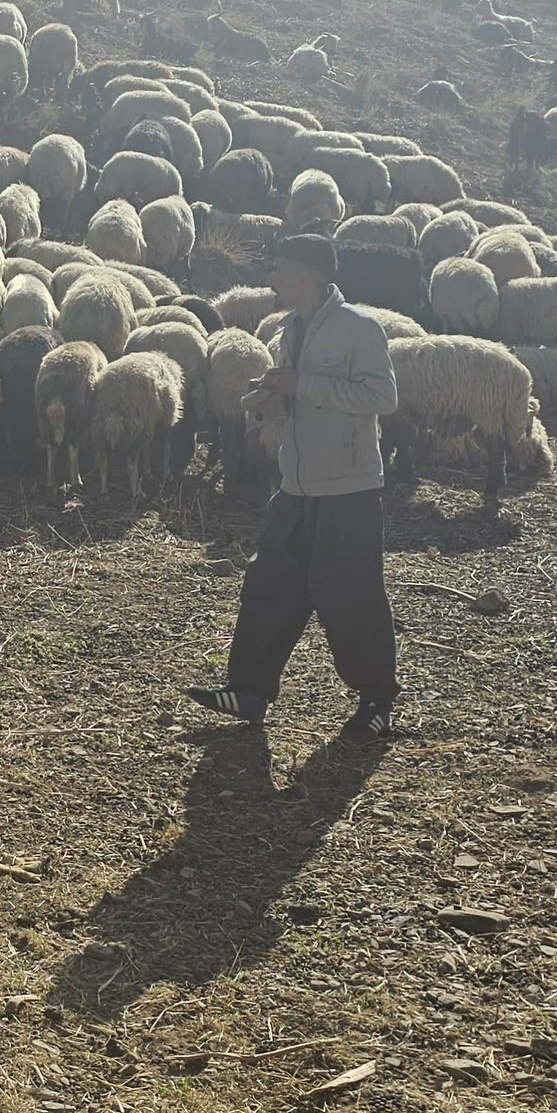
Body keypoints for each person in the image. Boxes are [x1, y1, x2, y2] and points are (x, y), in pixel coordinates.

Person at [188, 232, 403, 739]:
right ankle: (248, 692)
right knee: (269, 588)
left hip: (348, 488)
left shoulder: (359, 329)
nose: (273, 277)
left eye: (279, 268)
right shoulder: (289, 331)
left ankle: (378, 700)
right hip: (297, 484)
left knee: (353, 596)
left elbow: (383, 396)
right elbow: (302, 395)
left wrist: (301, 385)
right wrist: (271, 398)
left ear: (304, 275)